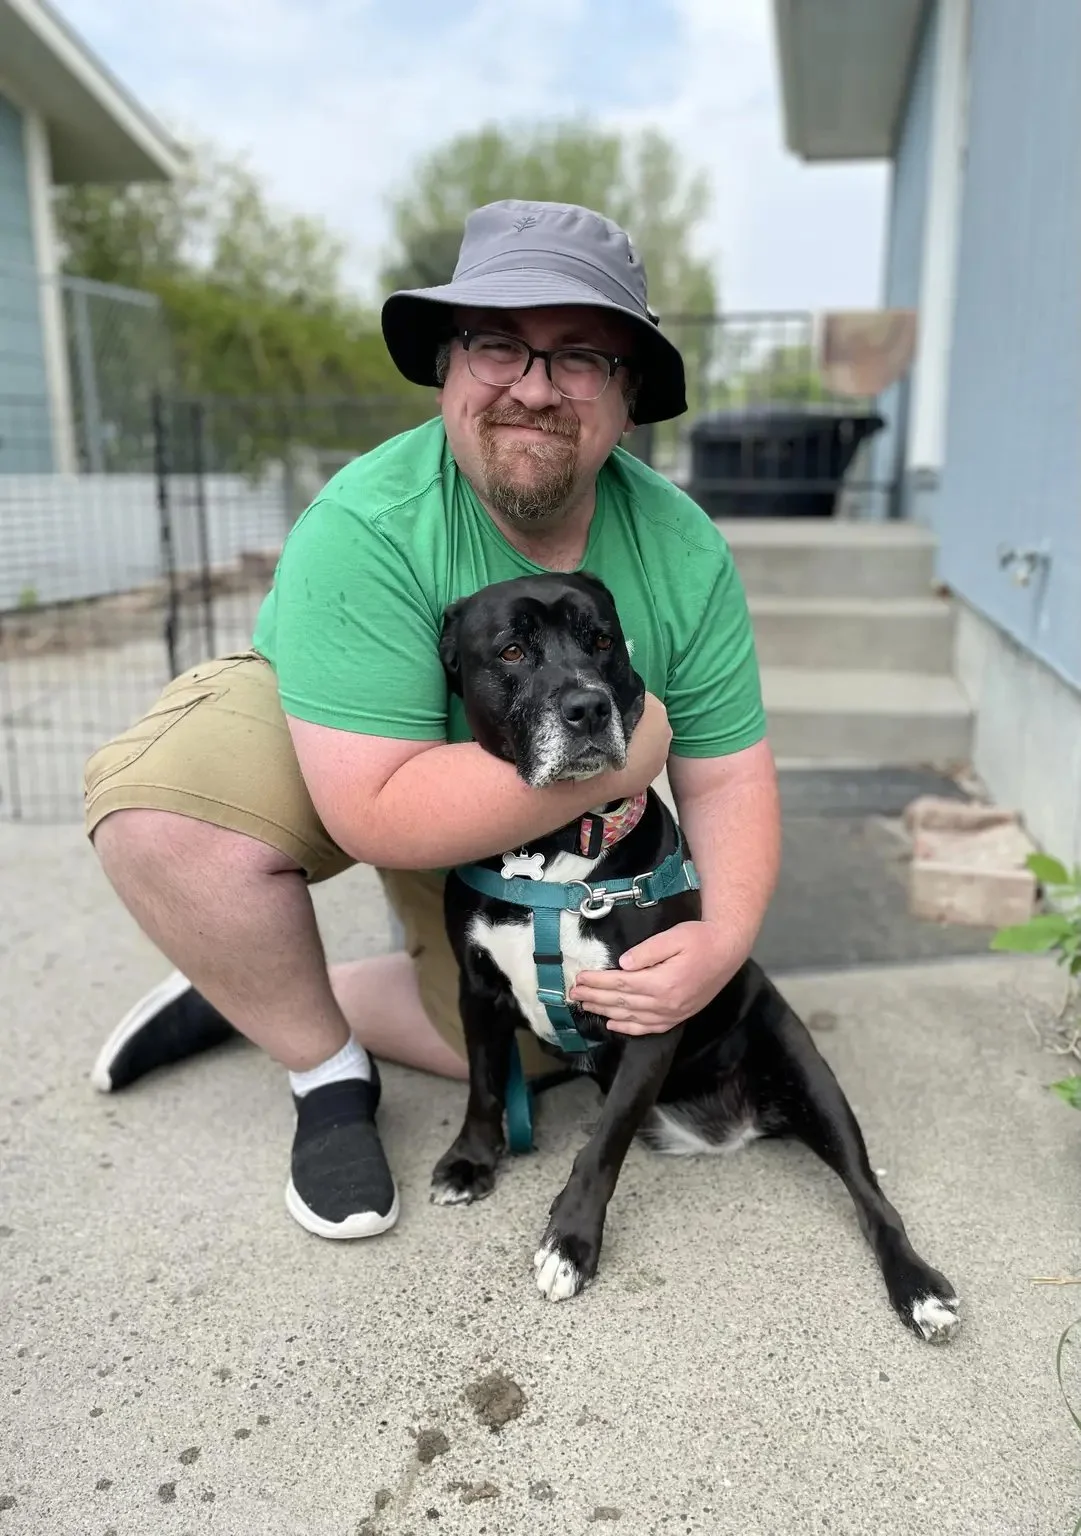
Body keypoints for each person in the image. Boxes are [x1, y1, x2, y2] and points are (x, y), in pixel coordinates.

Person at [84, 199, 781, 1241]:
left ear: (628, 398)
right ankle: (322, 1070)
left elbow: (727, 774)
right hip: (365, 752)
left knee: (540, 1042)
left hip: (520, 817)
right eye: (497, 345)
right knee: (165, 822)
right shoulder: (365, 523)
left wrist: (720, 942)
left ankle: (238, 987)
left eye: (579, 357)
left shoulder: (683, 549)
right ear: (448, 369)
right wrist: (626, 747)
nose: (533, 387)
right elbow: (375, 808)